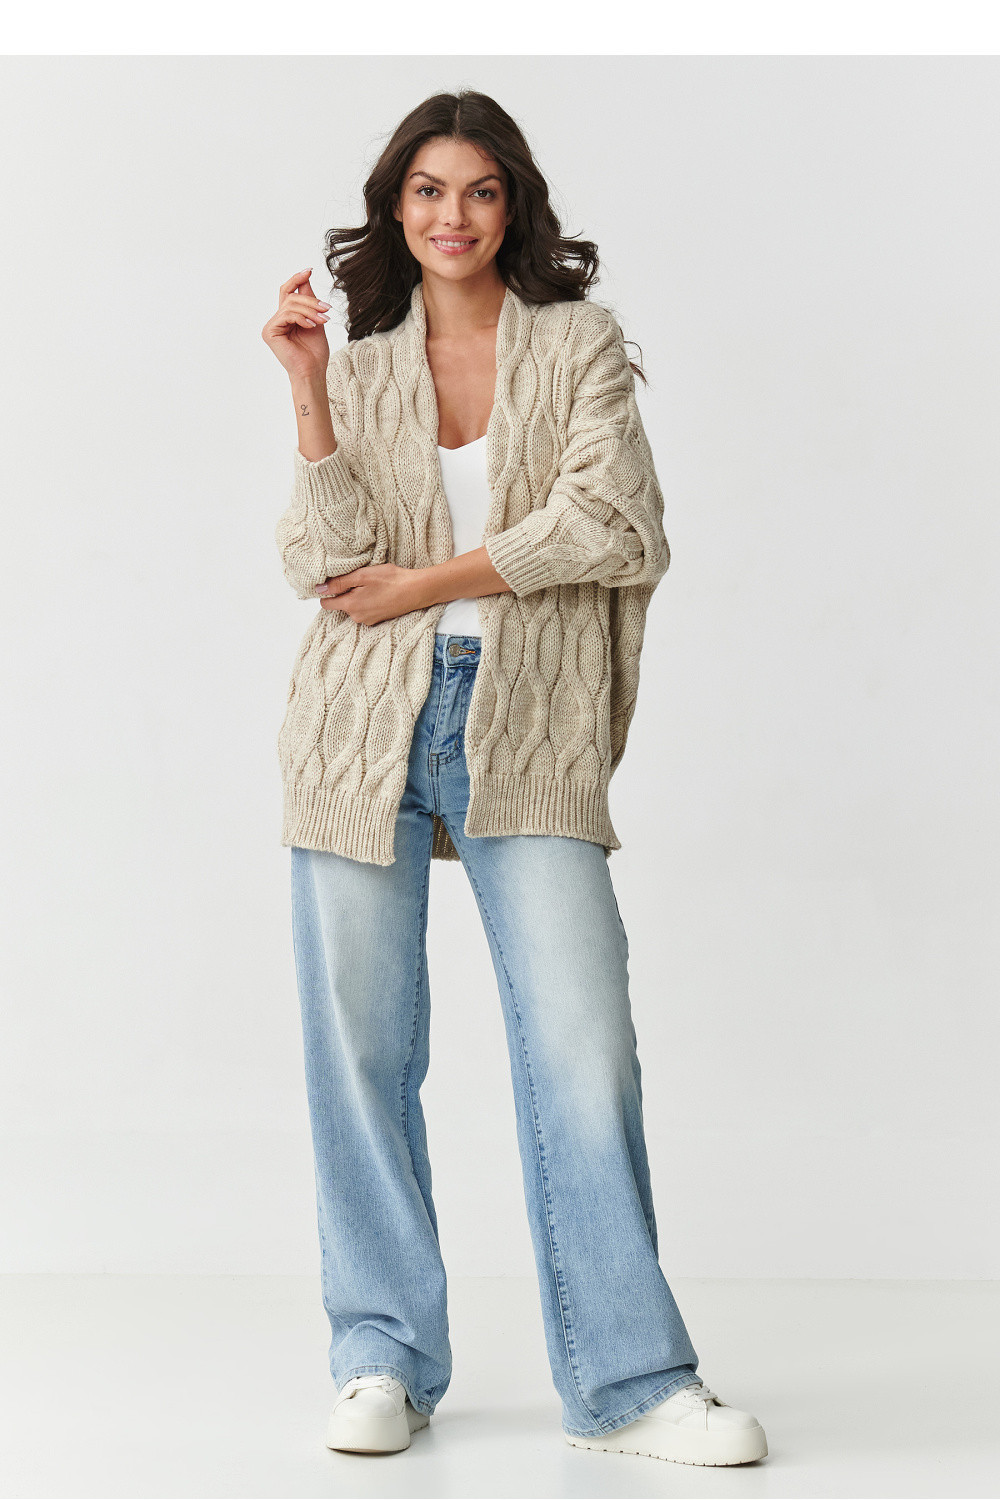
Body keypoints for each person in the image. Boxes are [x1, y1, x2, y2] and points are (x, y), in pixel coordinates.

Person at [261, 89, 768, 1469]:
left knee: (582, 1046)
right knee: (360, 1052)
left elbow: (616, 521)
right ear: (396, 207)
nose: (454, 216)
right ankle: (380, 1356)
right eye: (428, 191)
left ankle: (631, 1381)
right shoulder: (366, 361)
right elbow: (324, 564)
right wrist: (308, 393)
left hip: (528, 724)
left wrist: (429, 581)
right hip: (360, 728)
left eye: (480, 190)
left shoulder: (579, 343)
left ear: (514, 205)